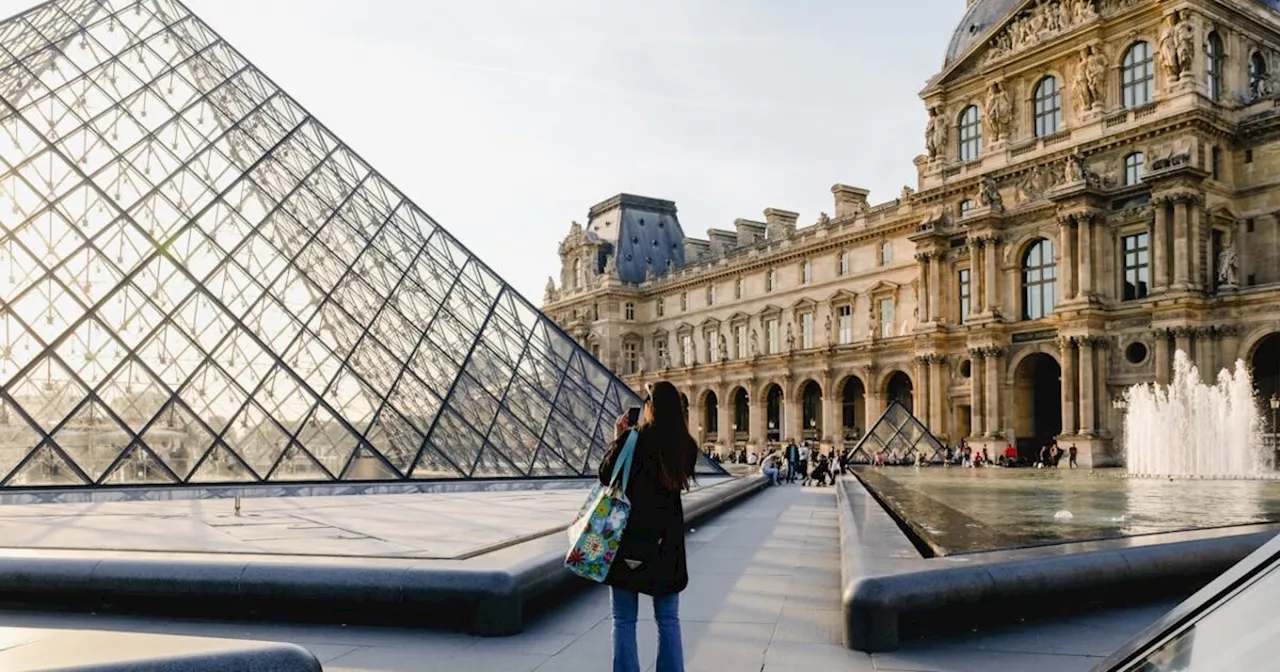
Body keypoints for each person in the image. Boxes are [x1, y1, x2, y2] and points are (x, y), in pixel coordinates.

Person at [600, 381, 698, 672]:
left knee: (623, 619)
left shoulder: (634, 439)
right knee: (668, 619)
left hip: (630, 539)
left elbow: (606, 477)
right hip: (666, 544)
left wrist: (618, 438)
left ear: (651, 408)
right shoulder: (687, 446)